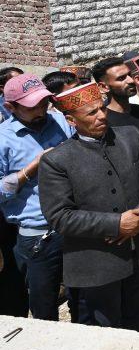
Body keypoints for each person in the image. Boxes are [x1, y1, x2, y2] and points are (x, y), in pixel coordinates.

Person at [39, 83, 139, 330]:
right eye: (91, 113)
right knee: (106, 325)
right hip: (98, 261)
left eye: (102, 109)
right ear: (71, 120)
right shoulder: (56, 161)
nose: (101, 116)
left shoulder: (130, 136)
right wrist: (117, 224)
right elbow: (59, 216)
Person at [0, 74, 73, 320]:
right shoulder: (3, 139)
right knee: (44, 305)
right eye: (32, 106)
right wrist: (30, 169)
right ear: (10, 107)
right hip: (38, 236)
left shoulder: (61, 121)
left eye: (44, 102)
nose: (41, 110)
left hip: (75, 225)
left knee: (82, 296)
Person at [92, 57, 139, 136]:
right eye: (121, 78)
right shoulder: (103, 123)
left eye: (129, 75)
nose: (131, 80)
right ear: (104, 87)